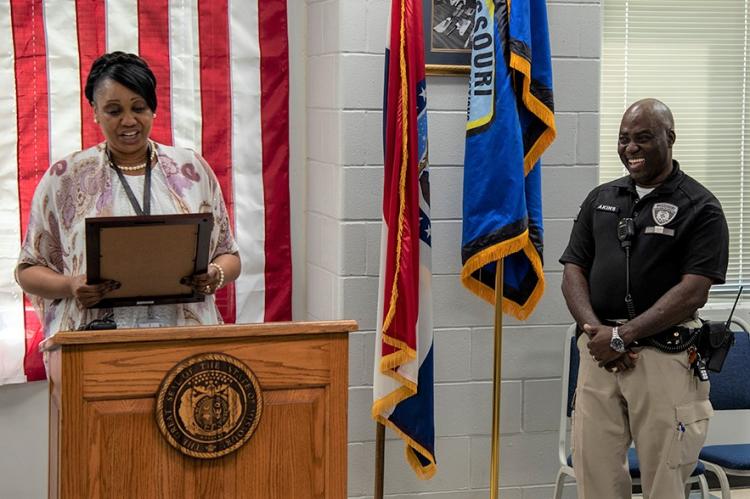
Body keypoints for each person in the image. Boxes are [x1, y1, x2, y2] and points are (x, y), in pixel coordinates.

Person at [559, 98, 729, 498]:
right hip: (600, 356)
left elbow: (694, 290)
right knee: (594, 475)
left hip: (665, 357)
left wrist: (623, 335)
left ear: (670, 138)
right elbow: (572, 271)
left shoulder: (700, 207)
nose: (630, 148)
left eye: (643, 138)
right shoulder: (601, 198)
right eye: (624, 139)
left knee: (663, 481)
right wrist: (598, 333)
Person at [15, 51, 241, 335]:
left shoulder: (191, 169)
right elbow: (28, 270)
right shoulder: (65, 177)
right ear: (95, 111)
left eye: (139, 107)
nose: (129, 121)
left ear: (153, 108)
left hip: (183, 340)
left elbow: (229, 256)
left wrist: (215, 275)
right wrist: (70, 285)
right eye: (113, 110)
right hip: (95, 345)